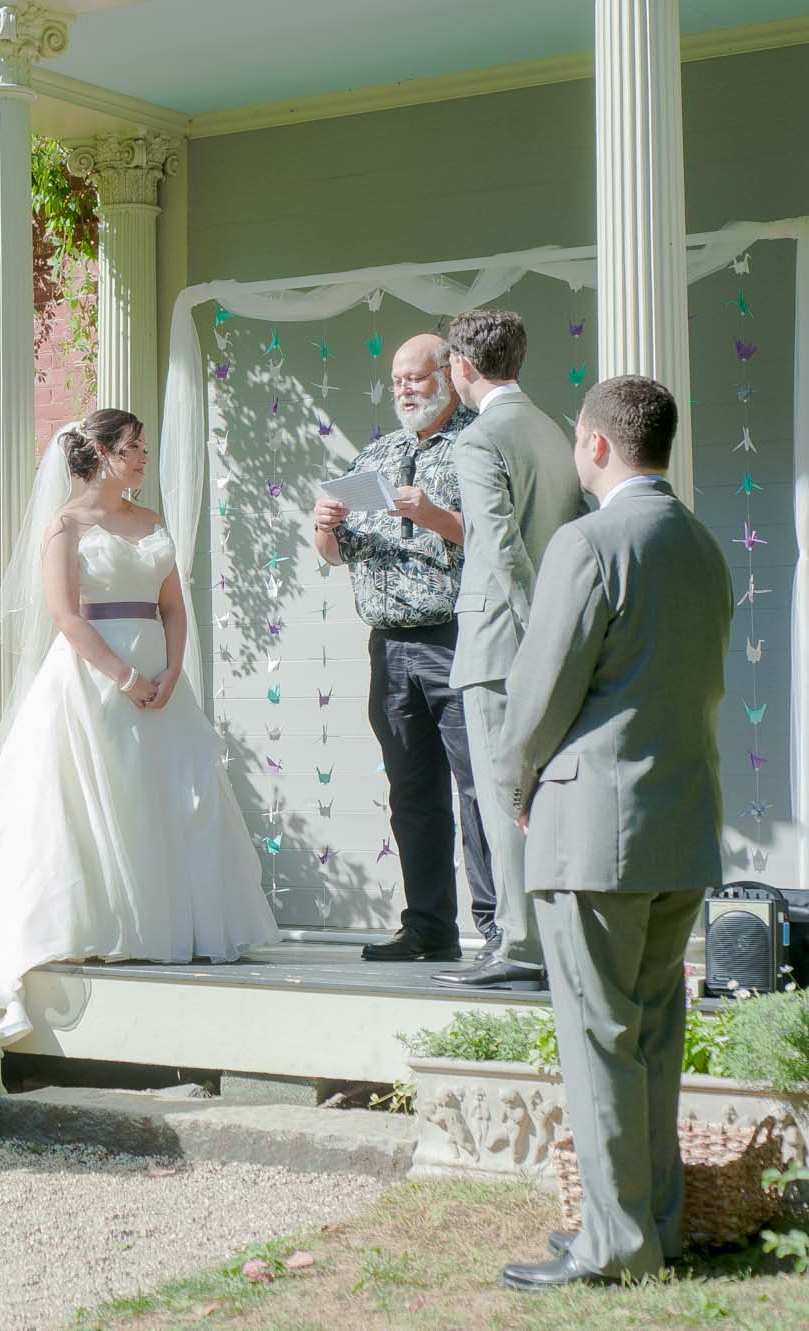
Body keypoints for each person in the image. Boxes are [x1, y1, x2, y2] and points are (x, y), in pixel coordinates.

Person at [0, 410, 278, 1041]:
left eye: (143, 447)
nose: (143, 457)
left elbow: (172, 606)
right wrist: (125, 677)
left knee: (168, 799)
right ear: (103, 454)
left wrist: (169, 672)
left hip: (163, 683)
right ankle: (82, 929)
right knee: (85, 804)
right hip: (92, 681)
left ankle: (164, 928)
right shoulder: (66, 526)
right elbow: (65, 615)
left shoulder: (153, 522)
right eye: (133, 447)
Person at [493, 376, 731, 1290]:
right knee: (655, 1036)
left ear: (595, 445)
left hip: (594, 828)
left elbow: (543, 686)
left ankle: (612, 1243)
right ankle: (651, 1224)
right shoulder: (705, 545)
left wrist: (518, 784)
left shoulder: (588, 543)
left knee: (598, 1040)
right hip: (682, 825)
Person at [312, 334, 495, 964]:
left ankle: (500, 928)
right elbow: (344, 554)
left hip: (458, 638)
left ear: (447, 375)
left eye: (415, 378)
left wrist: (438, 515)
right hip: (389, 647)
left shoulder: (479, 443)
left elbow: (503, 541)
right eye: (396, 382)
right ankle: (428, 930)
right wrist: (325, 530)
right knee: (412, 792)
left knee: (479, 789)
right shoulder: (380, 453)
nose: (405, 391)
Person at [437, 308, 585, 990]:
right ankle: (549, 937)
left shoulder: (480, 439)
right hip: (550, 637)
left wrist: (534, 637)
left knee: (505, 795)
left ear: (464, 367)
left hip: (502, 643)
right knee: (543, 797)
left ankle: (520, 943)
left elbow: (497, 546)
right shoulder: (554, 429)